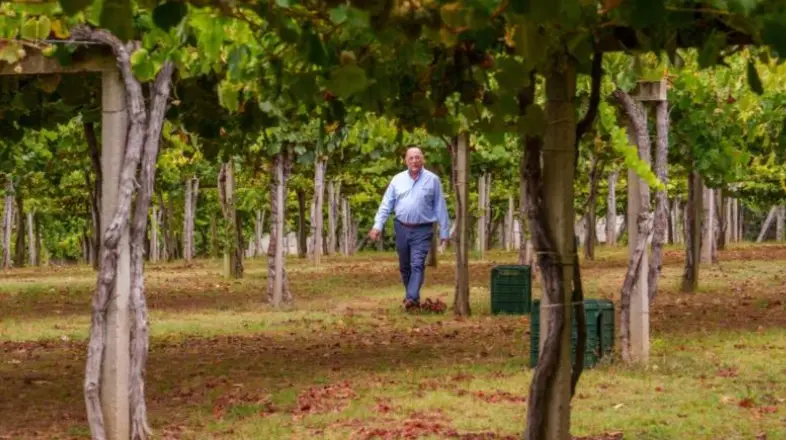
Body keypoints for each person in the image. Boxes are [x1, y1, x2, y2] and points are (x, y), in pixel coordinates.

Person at [368, 146, 450, 310]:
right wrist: (378, 226)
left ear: (423, 159)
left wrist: (445, 232)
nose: (414, 161)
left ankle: (411, 298)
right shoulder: (397, 180)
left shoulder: (432, 180)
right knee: (405, 267)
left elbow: (440, 206)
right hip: (402, 228)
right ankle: (412, 298)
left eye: (417, 157)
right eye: (411, 158)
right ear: (406, 160)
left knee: (417, 264)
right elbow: (386, 204)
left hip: (423, 229)